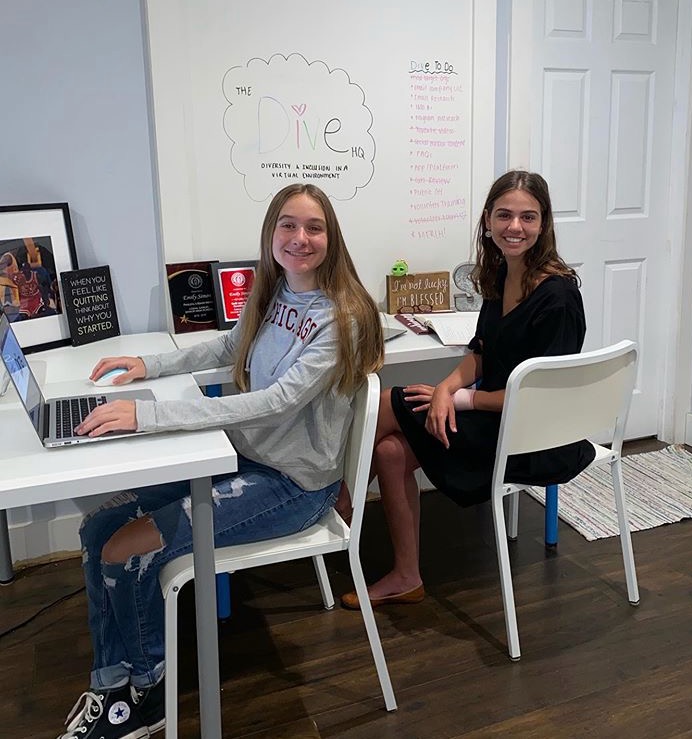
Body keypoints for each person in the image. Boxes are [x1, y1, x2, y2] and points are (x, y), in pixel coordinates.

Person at [55, 183, 384, 739]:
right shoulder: (275, 291)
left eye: (313, 227)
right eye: (287, 225)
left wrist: (148, 417)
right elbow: (228, 349)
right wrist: (147, 364)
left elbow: (276, 400)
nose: (299, 238)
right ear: (271, 232)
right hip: (246, 460)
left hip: (294, 487)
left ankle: (148, 691)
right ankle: (112, 682)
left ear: (332, 238)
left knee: (125, 551)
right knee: (97, 530)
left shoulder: (341, 317)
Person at [340, 170, 595, 610]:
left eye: (527, 217)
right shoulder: (501, 275)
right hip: (496, 418)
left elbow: (541, 397)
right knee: (390, 452)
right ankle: (406, 576)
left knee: (388, 401)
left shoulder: (558, 297)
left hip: (533, 437)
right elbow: (480, 350)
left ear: (544, 223)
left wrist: (461, 398)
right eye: (504, 215)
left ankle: (336, 508)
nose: (514, 227)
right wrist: (446, 387)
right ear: (488, 220)